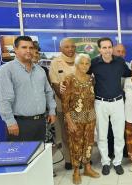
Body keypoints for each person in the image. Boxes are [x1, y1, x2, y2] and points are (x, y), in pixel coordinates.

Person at [0, 36, 56, 141]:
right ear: (15, 49)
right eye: (24, 47)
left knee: (39, 155)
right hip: (19, 124)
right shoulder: (6, 70)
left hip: (41, 122)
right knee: (21, 156)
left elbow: (48, 92)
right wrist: (10, 122)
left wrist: (52, 111)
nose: (28, 50)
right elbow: (4, 99)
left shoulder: (40, 70)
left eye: (31, 48)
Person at [89, 37, 131, 175]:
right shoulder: (94, 63)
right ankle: (105, 162)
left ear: (112, 48)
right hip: (100, 103)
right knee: (102, 135)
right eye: (104, 47)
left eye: (109, 47)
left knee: (119, 135)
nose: (107, 50)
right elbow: (83, 76)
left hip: (118, 102)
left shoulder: (119, 61)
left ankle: (117, 162)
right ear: (99, 49)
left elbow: (129, 74)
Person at [61, 54, 100, 184]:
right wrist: (69, 121)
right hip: (75, 118)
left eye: (87, 63)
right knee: (76, 145)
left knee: (89, 143)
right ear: (76, 64)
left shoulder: (91, 79)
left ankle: (87, 168)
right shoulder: (69, 79)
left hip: (90, 117)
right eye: (82, 63)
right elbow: (65, 102)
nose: (84, 66)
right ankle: (76, 171)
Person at [49, 38, 77, 170]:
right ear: (61, 49)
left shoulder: (81, 59)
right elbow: (55, 84)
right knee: (66, 134)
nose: (70, 49)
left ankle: (81, 157)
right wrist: (67, 102)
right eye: (67, 47)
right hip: (63, 105)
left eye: (72, 46)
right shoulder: (55, 62)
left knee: (80, 133)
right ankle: (69, 159)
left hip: (81, 106)